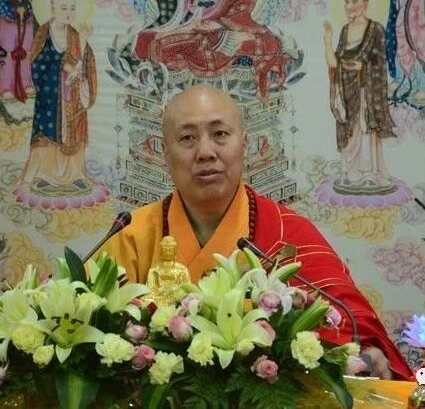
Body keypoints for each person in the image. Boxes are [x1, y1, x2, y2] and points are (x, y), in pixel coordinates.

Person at [102, 85, 412, 380]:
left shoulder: (286, 233)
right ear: (166, 155)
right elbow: (95, 335)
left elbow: (346, 318)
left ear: (244, 145)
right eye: (187, 138)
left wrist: (364, 350)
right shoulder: (131, 236)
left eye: (220, 134)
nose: (205, 152)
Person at [133, 0, 288, 99]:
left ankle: (220, 42)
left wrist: (219, 24)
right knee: (146, 42)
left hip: (226, 29)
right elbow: (167, 9)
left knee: (269, 43)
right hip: (187, 30)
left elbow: (243, 8)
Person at [15, 0, 97, 201]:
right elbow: (36, 64)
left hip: (72, 97)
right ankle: (44, 175)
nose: (68, 12)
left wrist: (83, 44)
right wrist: (63, 67)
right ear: (52, 9)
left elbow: (84, 64)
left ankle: (75, 175)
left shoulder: (75, 35)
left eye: (72, 8)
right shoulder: (43, 34)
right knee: (48, 131)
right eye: (63, 8)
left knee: (74, 130)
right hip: (50, 95)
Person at [323, 0, 397, 195]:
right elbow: (335, 63)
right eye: (346, 1)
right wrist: (327, 39)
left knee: (364, 128)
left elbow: (380, 62)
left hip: (366, 90)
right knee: (347, 128)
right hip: (346, 89)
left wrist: (363, 67)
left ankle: (368, 174)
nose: (349, 6)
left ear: (365, 4)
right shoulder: (345, 30)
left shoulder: (375, 29)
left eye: (354, 1)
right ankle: (349, 172)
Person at [145, 236, 191, 307]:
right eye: (165, 250)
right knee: (146, 300)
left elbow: (187, 288)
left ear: (175, 251)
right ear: (161, 252)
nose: (168, 253)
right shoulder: (154, 270)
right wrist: (161, 290)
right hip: (159, 298)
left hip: (176, 298)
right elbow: (150, 290)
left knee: (187, 300)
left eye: (170, 250)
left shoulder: (182, 269)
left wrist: (173, 290)